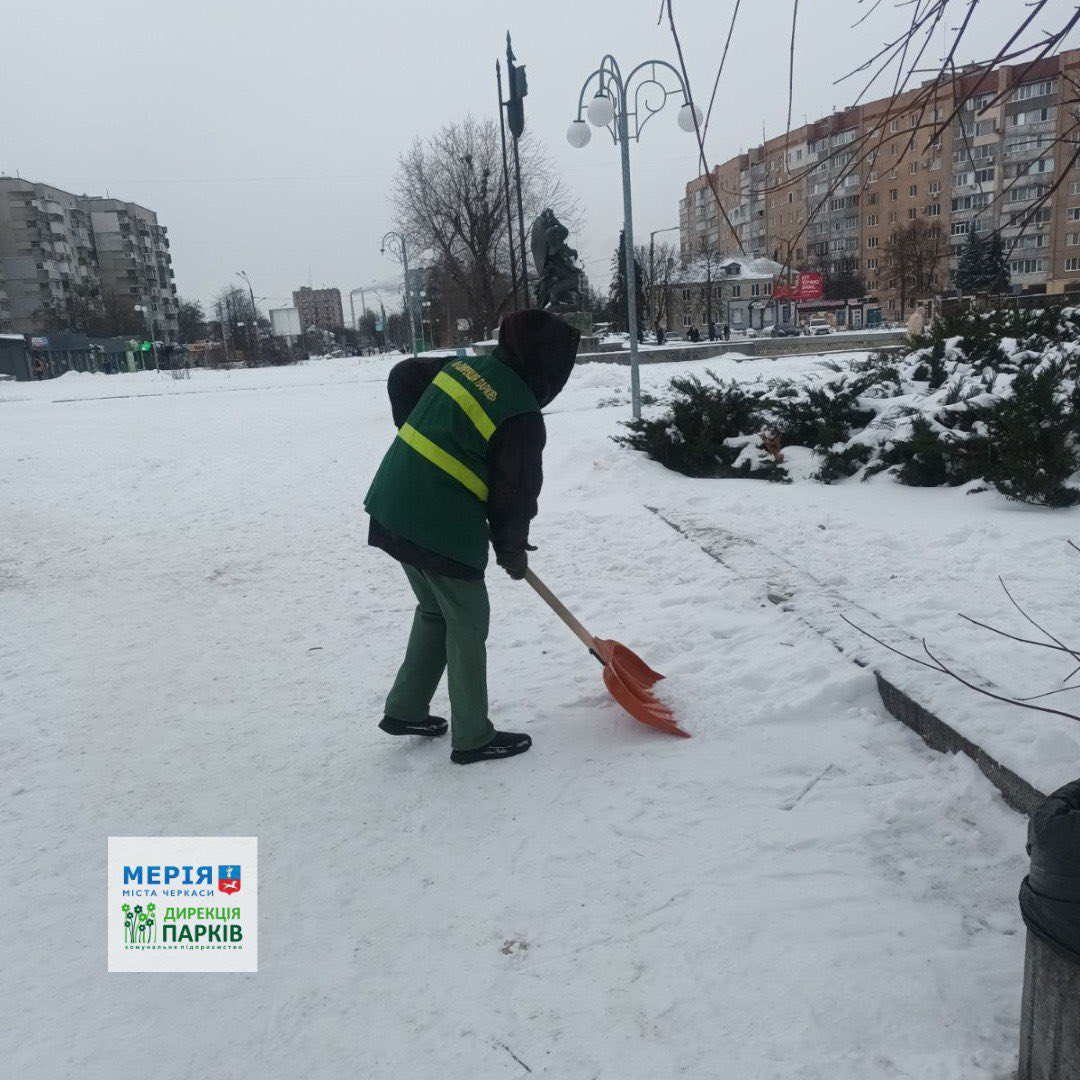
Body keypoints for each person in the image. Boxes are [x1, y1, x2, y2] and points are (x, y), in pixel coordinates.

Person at [364, 309, 581, 765]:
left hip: (392, 501)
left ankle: (405, 709)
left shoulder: (467, 367)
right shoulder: (520, 413)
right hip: (435, 519)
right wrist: (511, 550)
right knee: (468, 619)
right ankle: (473, 736)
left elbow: (403, 375)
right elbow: (514, 495)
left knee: (434, 610)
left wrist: (418, 436)